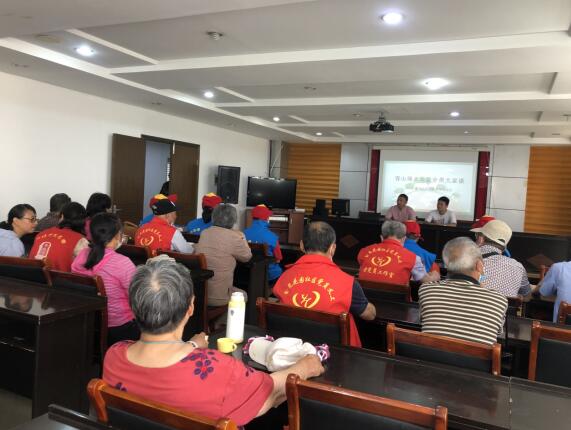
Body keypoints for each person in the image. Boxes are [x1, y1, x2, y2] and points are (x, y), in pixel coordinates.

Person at [102, 258, 324, 427]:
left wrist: (191, 346)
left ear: (134, 308)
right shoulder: (218, 369)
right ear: (190, 307)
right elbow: (272, 391)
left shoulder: (114, 356)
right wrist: (305, 366)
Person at [273, 221, 376, 347]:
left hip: (290, 348)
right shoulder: (348, 282)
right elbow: (369, 315)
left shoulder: (284, 277)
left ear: (301, 245)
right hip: (335, 354)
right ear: (333, 248)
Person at [418, 237, 508, 345]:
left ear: (446, 264)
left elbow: (423, 321)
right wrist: (482, 283)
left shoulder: (427, 290)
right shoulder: (498, 300)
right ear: (479, 265)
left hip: (430, 355)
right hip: (475, 356)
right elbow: (498, 332)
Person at [72, 213, 139, 345]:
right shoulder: (122, 263)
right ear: (117, 235)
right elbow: (137, 298)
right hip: (121, 328)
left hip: (90, 323)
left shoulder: (81, 255)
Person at [195, 204, 252, 306]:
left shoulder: (205, 233)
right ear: (234, 220)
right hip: (218, 297)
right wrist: (242, 236)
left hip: (199, 293)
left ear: (214, 217)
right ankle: (226, 316)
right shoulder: (235, 236)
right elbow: (247, 257)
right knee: (243, 295)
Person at [357, 221, 440, 285]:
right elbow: (426, 280)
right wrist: (435, 276)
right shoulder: (413, 258)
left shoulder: (364, 251)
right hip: (395, 300)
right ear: (404, 239)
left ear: (381, 237)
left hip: (365, 298)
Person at [471, 219, 531, 297]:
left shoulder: (465, 261)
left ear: (481, 239)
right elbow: (527, 295)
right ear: (504, 246)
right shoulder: (518, 267)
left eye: (477, 235)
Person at [30, 202, 88, 271]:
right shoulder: (81, 241)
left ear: (62, 216)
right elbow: (85, 270)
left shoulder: (41, 234)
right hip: (59, 277)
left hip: (32, 275)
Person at [244, 204, 283, 283]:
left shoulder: (243, 233)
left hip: (248, 274)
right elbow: (278, 259)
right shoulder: (273, 237)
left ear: (253, 217)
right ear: (266, 219)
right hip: (268, 276)